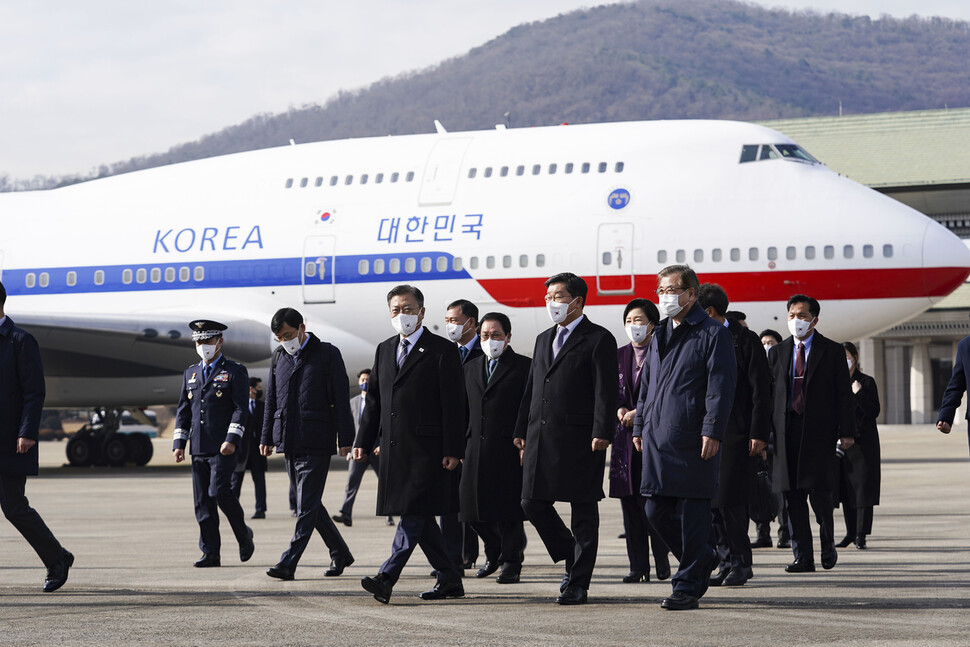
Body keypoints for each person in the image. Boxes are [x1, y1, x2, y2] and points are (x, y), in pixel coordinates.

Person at [354, 285, 466, 604]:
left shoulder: (442, 350)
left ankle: (387, 576)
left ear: (421, 312)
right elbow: (373, 401)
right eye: (395, 309)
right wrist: (362, 441)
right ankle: (449, 579)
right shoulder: (384, 349)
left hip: (428, 451)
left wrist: (453, 449)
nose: (401, 315)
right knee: (421, 517)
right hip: (394, 449)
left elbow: (454, 405)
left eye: (407, 308)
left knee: (413, 512)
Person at [633, 265, 736, 611]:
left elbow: (720, 388)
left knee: (693, 516)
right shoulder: (658, 332)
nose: (666, 297)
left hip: (693, 437)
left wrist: (712, 429)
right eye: (661, 290)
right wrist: (638, 426)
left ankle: (687, 585)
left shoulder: (712, 333)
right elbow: (646, 387)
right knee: (654, 509)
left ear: (692, 294)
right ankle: (702, 558)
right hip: (658, 437)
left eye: (673, 290)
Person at [514, 272, 618, 606]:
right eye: (548, 297)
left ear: (577, 300)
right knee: (531, 502)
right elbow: (532, 387)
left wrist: (603, 430)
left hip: (581, 438)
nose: (551, 303)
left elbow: (606, 390)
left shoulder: (598, 338)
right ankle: (572, 554)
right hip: (541, 436)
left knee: (583, 509)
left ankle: (578, 582)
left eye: (558, 296)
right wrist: (520, 430)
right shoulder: (543, 338)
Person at [259, 308, 355, 581]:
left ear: (302, 327)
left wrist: (345, 439)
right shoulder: (279, 356)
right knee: (310, 504)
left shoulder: (326, 353)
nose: (285, 341)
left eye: (288, 335)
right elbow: (272, 401)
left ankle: (288, 562)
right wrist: (266, 438)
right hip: (288, 441)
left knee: (306, 506)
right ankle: (340, 551)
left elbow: (340, 397)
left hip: (317, 440)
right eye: (279, 338)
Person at [768, 294, 855, 574]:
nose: (797, 321)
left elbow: (844, 395)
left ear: (815, 319)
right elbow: (770, 397)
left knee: (820, 496)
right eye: (792, 315)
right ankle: (802, 556)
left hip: (818, 432)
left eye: (802, 316)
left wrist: (847, 431)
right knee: (792, 497)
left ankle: (827, 545)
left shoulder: (830, 351)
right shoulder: (778, 352)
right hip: (786, 432)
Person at [0, 280, 73, 592]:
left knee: (14, 507)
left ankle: (56, 558)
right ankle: (58, 556)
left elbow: (34, 392)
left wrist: (27, 432)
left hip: (10, 441)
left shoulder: (20, 341)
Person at [696, 284, 771, 588]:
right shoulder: (699, 338)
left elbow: (761, 391)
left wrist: (758, 433)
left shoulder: (744, 339)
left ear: (710, 312)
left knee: (731, 502)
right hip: (706, 433)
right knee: (712, 504)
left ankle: (741, 562)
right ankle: (725, 560)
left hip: (738, 435)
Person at [173, 319, 254, 568]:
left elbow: (241, 409)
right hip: (198, 446)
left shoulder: (235, 371)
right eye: (198, 341)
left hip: (222, 446)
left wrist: (232, 439)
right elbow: (184, 410)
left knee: (219, 492)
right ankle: (210, 552)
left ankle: (244, 535)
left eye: (207, 341)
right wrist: (179, 443)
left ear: (219, 341)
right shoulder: (191, 373)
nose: (202, 345)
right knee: (202, 503)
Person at [459, 312, 530, 584]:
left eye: (496, 335)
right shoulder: (470, 367)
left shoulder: (524, 367)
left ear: (508, 337)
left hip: (508, 447)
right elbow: (463, 410)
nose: (490, 340)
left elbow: (528, 408)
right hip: (474, 446)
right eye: (485, 335)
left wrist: (524, 438)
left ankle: (511, 562)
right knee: (468, 508)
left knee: (509, 510)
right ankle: (494, 550)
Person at [610, 298, 670, 584]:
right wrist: (620, 409)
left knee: (653, 506)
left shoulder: (664, 353)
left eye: (639, 320)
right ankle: (637, 566)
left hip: (652, 438)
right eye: (629, 321)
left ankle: (661, 561)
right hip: (624, 441)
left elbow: (663, 393)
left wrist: (640, 413)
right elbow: (612, 392)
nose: (634, 326)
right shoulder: (619, 355)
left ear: (652, 324)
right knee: (629, 507)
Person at [442, 298, 483, 570]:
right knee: (448, 503)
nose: (450, 326)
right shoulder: (445, 352)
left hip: (477, 439)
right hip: (450, 440)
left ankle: (498, 550)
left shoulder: (486, 352)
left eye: (455, 321)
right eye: (447, 321)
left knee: (477, 503)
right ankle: (452, 559)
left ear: (472, 323)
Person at [333, 369, 394, 527]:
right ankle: (346, 513)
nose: (365, 383)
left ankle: (389, 515)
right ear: (359, 382)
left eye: (367, 379)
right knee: (352, 482)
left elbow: (385, 425)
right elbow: (349, 426)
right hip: (358, 449)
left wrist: (382, 444)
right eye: (362, 380)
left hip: (376, 448)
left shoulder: (381, 402)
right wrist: (348, 446)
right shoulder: (353, 402)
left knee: (385, 482)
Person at [837, 342, 881, 550]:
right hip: (843, 444)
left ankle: (861, 534)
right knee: (846, 490)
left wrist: (859, 393)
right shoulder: (835, 382)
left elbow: (873, 411)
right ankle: (850, 532)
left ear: (854, 357)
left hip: (864, 444)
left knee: (864, 490)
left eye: (847, 356)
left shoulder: (866, 382)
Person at [753, 328, 788, 550]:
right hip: (760, 441)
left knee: (781, 490)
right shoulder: (755, 372)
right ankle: (762, 532)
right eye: (763, 342)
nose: (767, 346)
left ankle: (785, 534)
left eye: (771, 342)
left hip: (779, 441)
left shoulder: (783, 372)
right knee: (760, 487)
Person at [231, 377, 268, 519]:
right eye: (258, 388)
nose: (260, 390)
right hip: (242, 450)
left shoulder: (262, 406)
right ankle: (233, 510)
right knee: (236, 481)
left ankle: (261, 509)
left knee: (259, 481)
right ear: (251, 389)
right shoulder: (238, 407)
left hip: (257, 450)